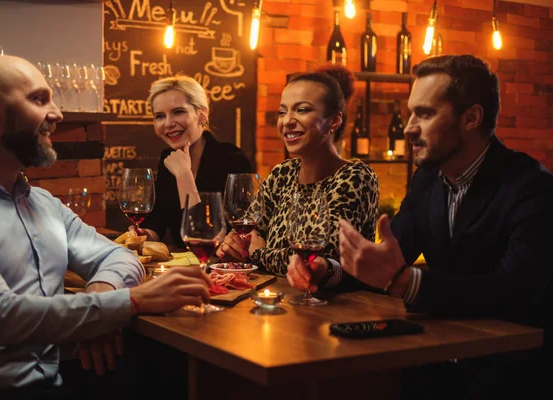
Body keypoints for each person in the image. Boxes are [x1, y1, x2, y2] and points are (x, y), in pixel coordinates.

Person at [288, 55, 553, 398]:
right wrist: (327, 271)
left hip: (511, 374)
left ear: (471, 117)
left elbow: (514, 290)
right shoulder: (428, 178)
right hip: (436, 360)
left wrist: (404, 281)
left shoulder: (532, 187)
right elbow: (385, 261)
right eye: (411, 112)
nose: (409, 127)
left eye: (425, 114)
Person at [0, 54, 213, 398]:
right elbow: (5, 318)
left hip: (61, 378)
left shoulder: (43, 203)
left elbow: (119, 257)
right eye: (38, 99)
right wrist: (131, 302)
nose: (57, 114)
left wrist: (99, 306)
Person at [218, 63, 379, 285]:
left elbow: (318, 263)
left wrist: (259, 253)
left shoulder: (354, 176)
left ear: (334, 120)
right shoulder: (282, 174)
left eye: (302, 110)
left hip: (335, 312)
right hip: (276, 306)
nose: (287, 121)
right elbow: (249, 238)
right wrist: (234, 245)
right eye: (282, 112)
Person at [135, 74, 252, 248]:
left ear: (202, 114)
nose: (168, 123)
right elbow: (156, 223)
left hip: (224, 269)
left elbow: (206, 236)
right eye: (159, 116)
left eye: (178, 112)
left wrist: (184, 175)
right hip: (184, 266)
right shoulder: (168, 159)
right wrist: (144, 234)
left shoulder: (232, 159)